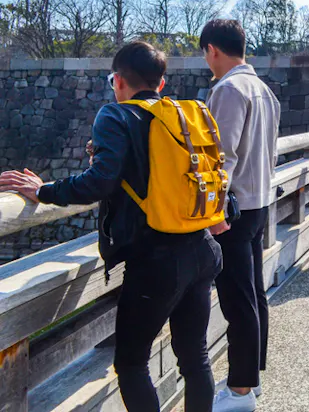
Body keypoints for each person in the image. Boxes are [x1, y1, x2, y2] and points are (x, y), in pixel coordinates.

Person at [0, 42, 223, 412]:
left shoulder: (116, 116)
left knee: (132, 363)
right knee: (195, 357)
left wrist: (42, 191)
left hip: (157, 261)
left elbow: (98, 183)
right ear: (161, 84)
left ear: (118, 81)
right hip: (201, 248)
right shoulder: (179, 116)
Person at [201, 20, 281, 412]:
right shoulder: (263, 89)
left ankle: (241, 390)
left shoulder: (228, 89)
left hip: (234, 207)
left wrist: (212, 211)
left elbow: (221, 157)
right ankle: (252, 377)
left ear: (212, 49)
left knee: (237, 299)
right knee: (254, 293)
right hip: (259, 200)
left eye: (206, 54)